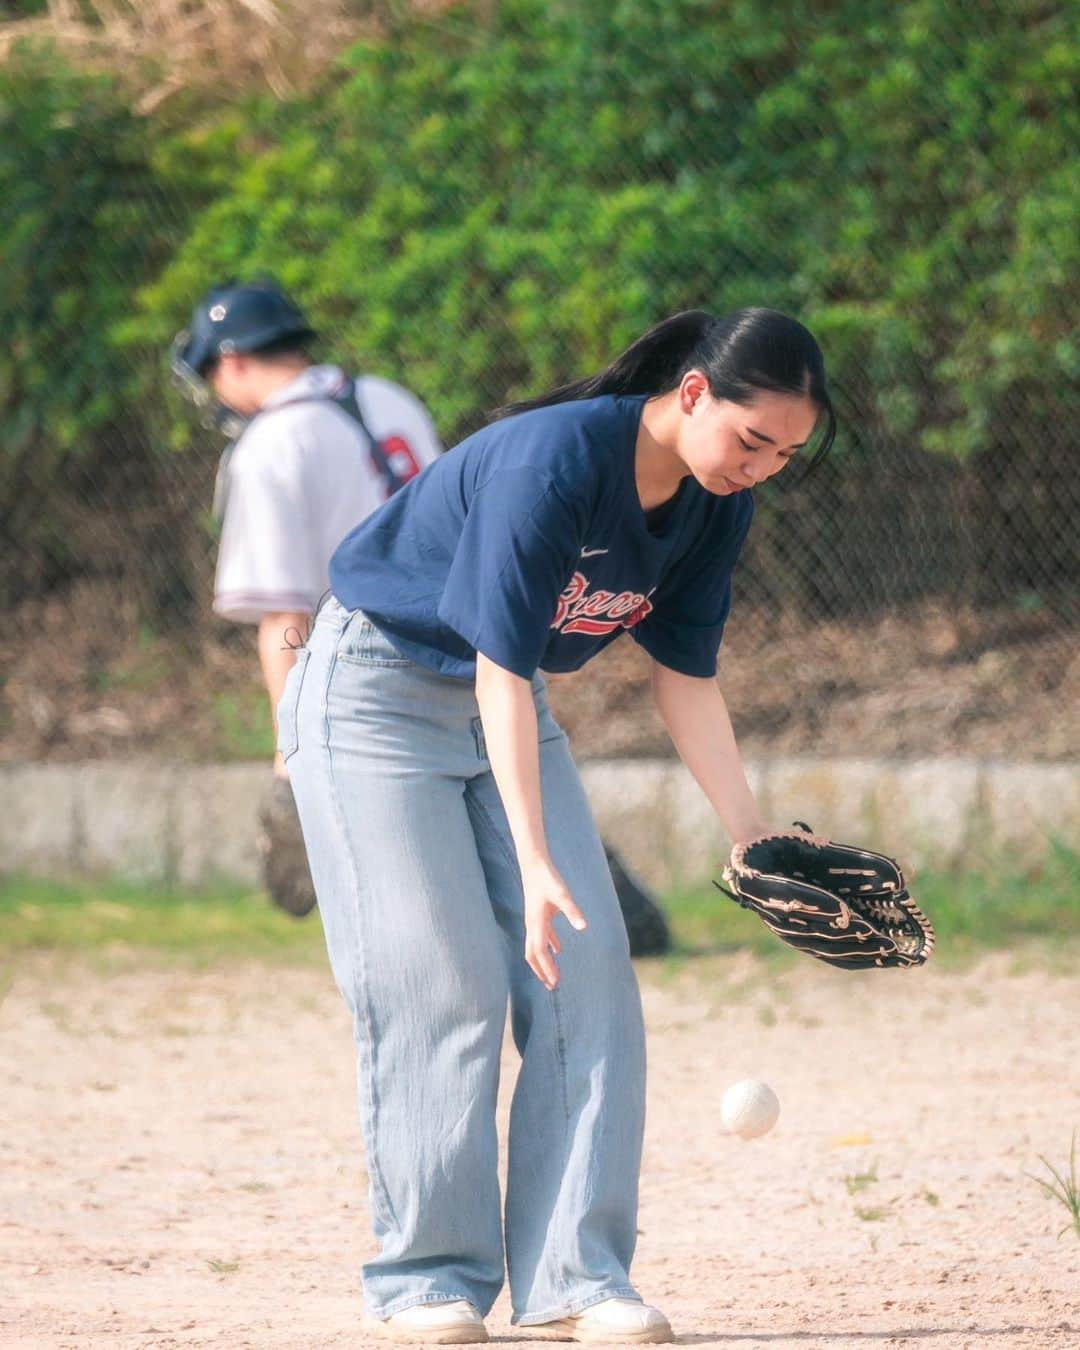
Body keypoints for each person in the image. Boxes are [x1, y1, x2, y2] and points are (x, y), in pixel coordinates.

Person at [276, 306, 836, 1342]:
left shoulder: (715, 506)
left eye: (787, 455)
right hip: (372, 698)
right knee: (440, 983)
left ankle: (577, 1278)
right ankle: (428, 1281)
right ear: (695, 392)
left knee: (590, 973)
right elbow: (498, 663)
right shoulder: (556, 463)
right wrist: (532, 860)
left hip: (504, 702)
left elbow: (688, 682)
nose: (762, 466)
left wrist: (751, 835)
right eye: (753, 439)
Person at [171, 279, 672, 952]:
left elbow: (282, 615)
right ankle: (611, 924)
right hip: (477, 625)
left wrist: (288, 750)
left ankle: (565, 932)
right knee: (507, 781)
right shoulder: (386, 398)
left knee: (417, 863)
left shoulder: (270, 445)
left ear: (231, 363)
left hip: (365, 664)